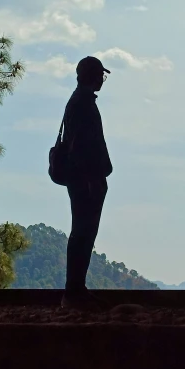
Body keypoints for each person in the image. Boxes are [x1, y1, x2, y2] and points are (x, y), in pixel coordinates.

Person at [61, 56, 113, 310]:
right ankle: (74, 292)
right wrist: (93, 178)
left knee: (82, 232)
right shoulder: (83, 104)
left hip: (84, 178)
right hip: (86, 180)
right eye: (100, 75)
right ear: (93, 76)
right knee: (83, 232)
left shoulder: (78, 101)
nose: (102, 80)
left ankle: (76, 290)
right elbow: (84, 146)